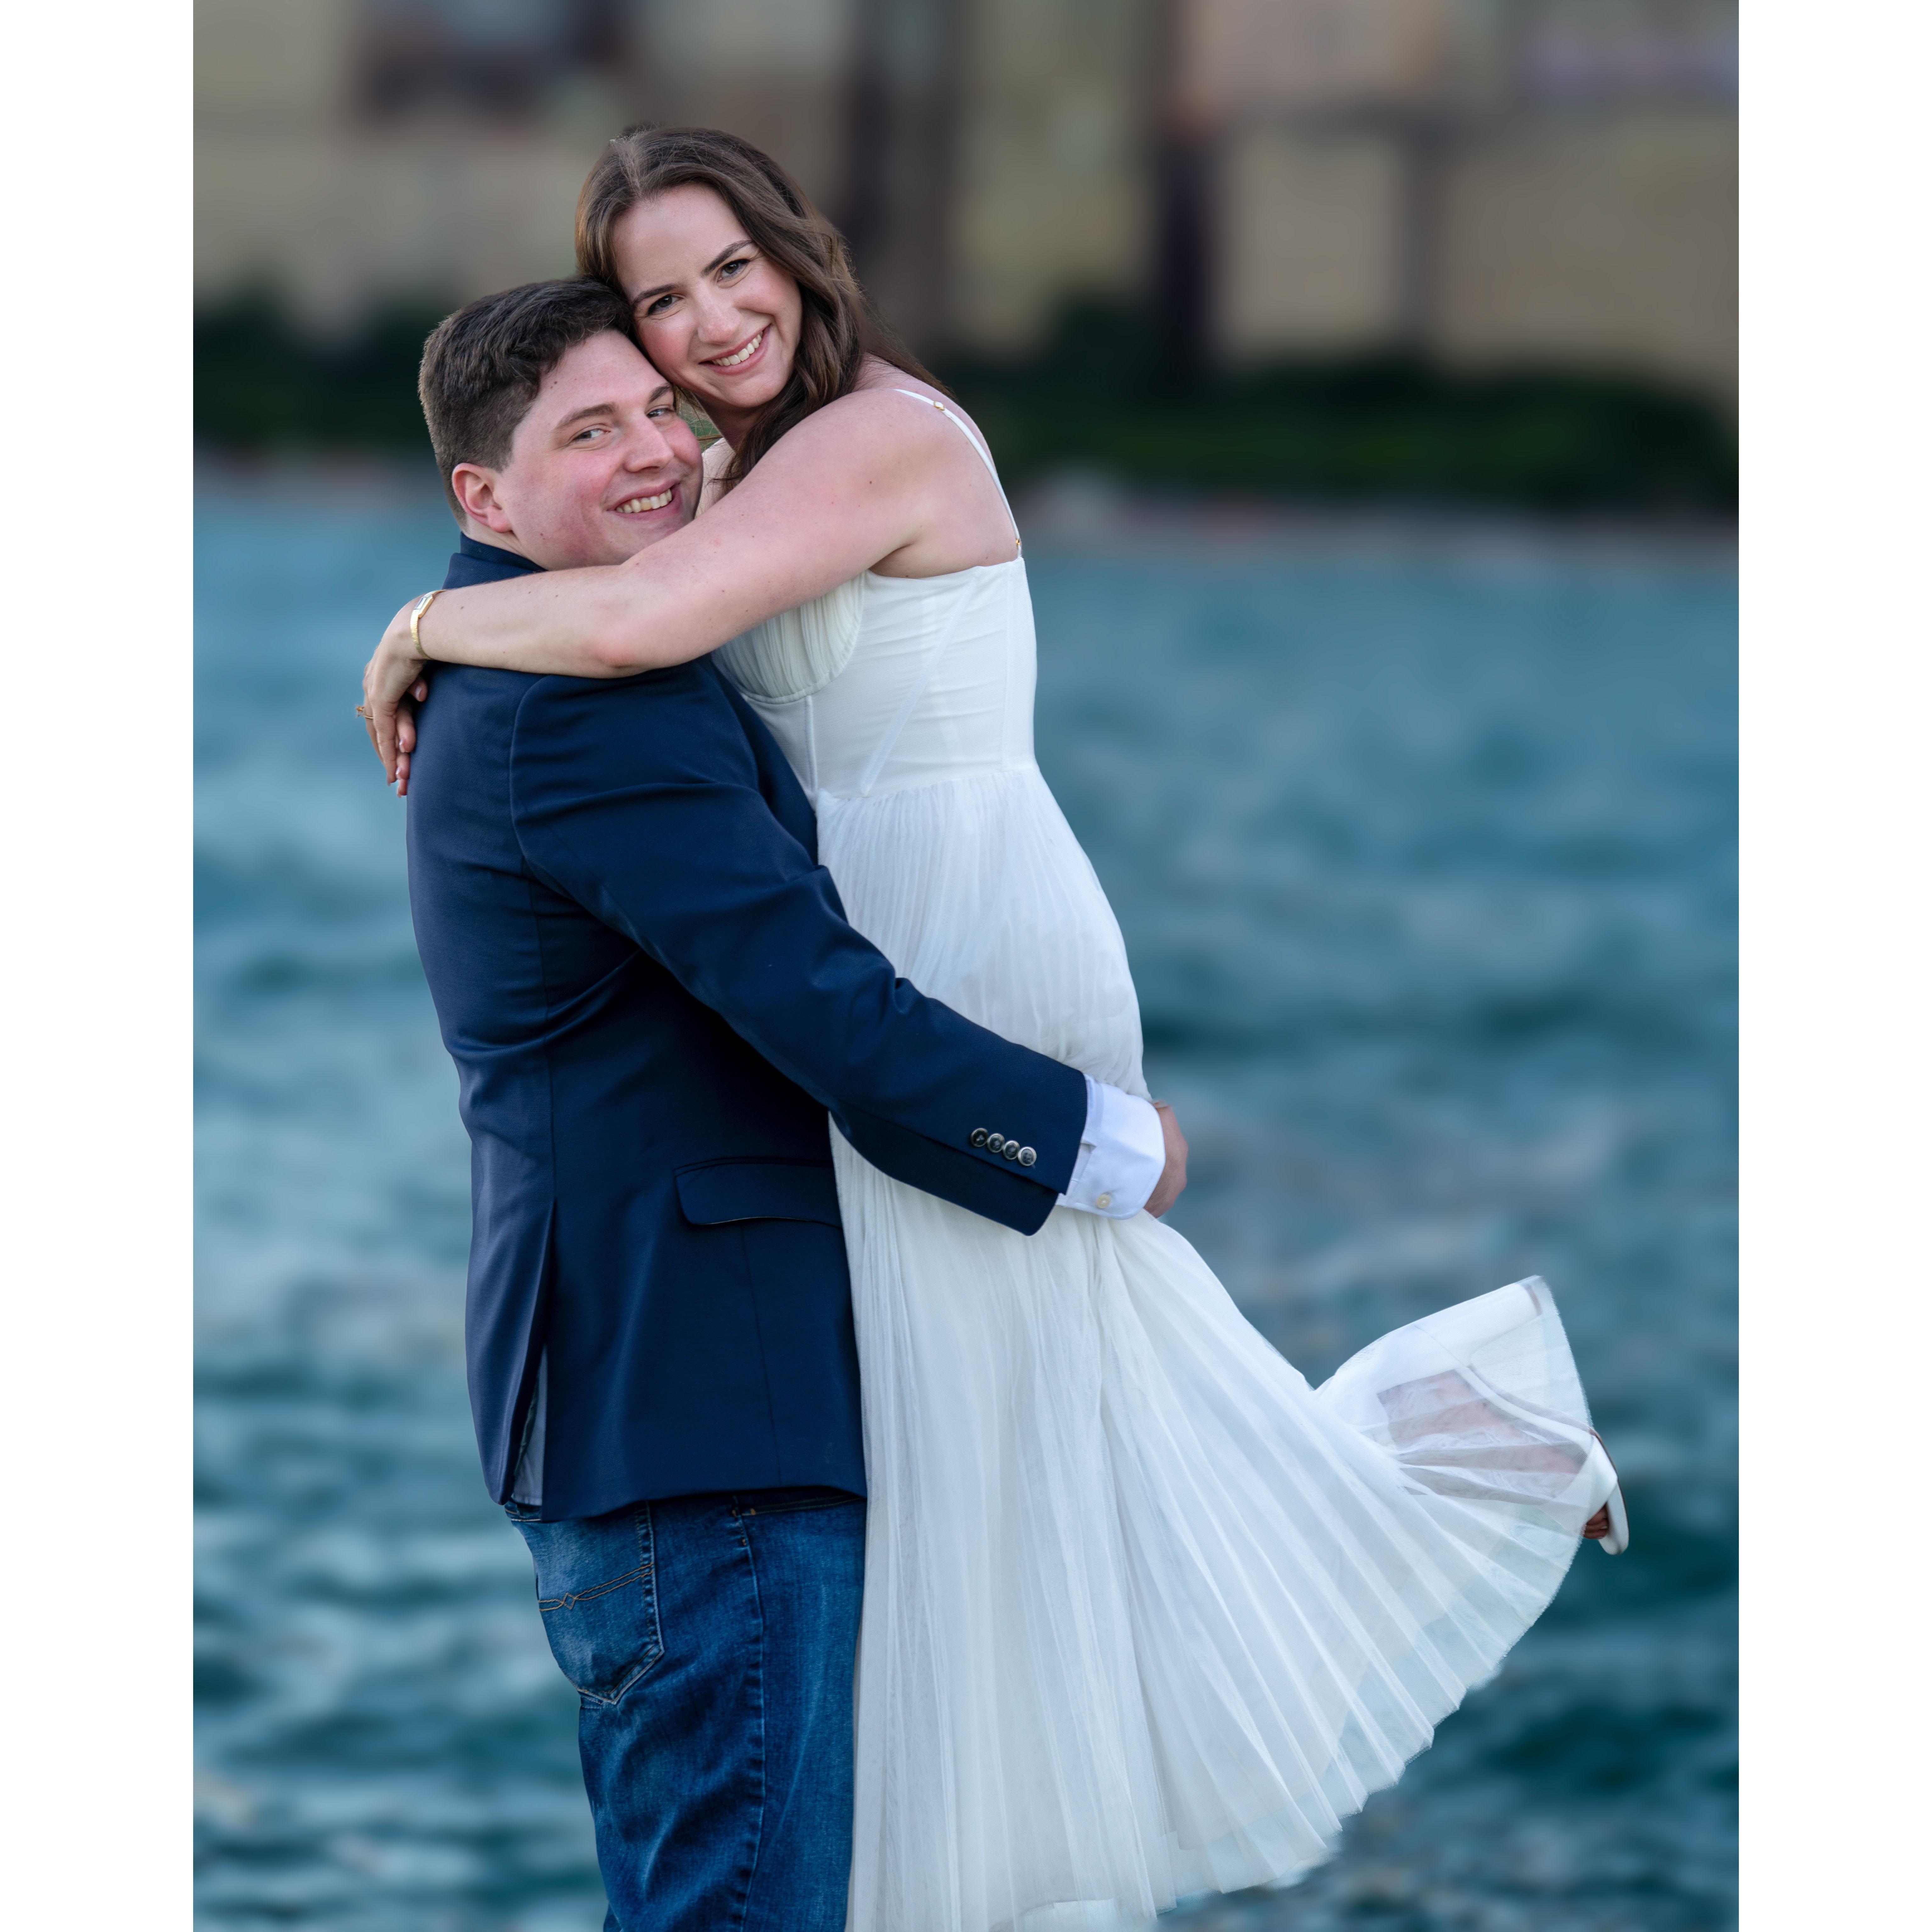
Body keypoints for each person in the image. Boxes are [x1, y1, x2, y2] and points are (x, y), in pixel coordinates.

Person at [366, 130, 1627, 1932]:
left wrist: (426, 619)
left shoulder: (868, 440)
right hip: (845, 977)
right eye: (659, 308)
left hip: (953, 929)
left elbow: (641, 620)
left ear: (798, 253)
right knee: (990, 1448)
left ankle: (1459, 1456)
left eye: (731, 272)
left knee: (1064, 1371)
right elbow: (634, 627)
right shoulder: (709, 493)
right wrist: (469, 601)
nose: (705, 333)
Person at [399, 275, 1187, 1932]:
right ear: (486, 495)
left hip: (658, 1406)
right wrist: (1105, 1146)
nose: (653, 453)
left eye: (658, 410)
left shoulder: (548, 654)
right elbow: (822, 1007)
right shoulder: (581, 709)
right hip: (704, 1412)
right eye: (590, 433)